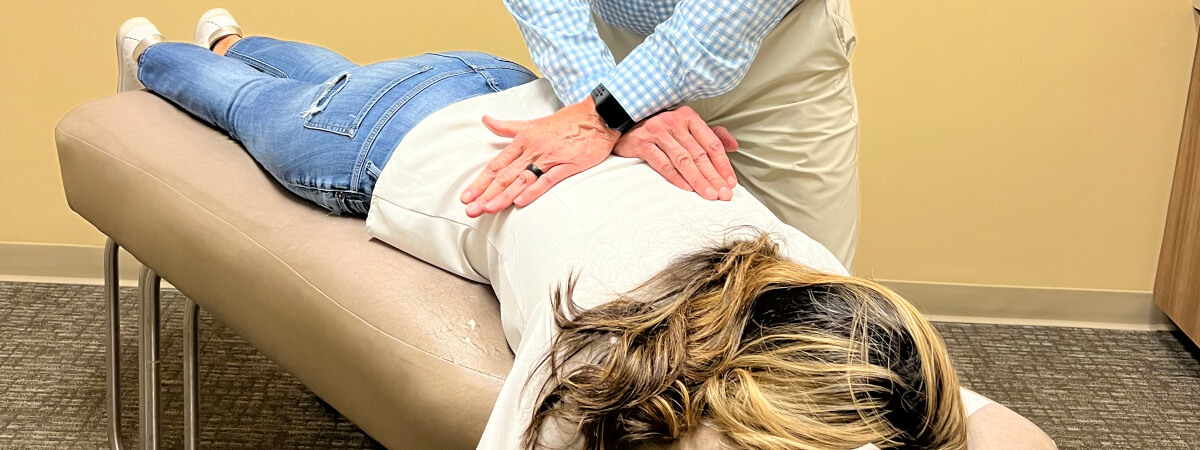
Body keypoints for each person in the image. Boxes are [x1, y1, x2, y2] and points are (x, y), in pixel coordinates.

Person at [117, 11, 978, 449]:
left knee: (338, 88)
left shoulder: (828, 294)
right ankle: (163, 56)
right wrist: (611, 105)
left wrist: (609, 110)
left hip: (528, 86)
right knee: (255, 109)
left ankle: (233, 38)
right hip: (415, 131)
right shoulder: (600, 348)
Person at [462, 0, 860, 269]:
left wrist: (608, 110)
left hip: (775, 43)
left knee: (809, 280)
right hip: (608, 45)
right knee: (637, 266)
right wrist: (600, 94)